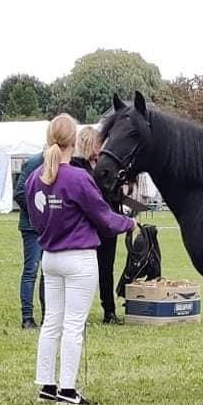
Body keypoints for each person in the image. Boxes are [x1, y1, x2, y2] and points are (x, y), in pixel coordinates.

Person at [25, 114, 135, 405]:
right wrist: (129, 224)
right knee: (74, 325)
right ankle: (68, 390)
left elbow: (37, 220)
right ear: (74, 141)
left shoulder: (35, 178)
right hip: (79, 259)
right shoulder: (78, 178)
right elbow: (104, 217)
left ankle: (47, 385)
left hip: (51, 257)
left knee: (52, 323)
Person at [71, 126, 125, 324]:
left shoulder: (104, 166)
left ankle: (109, 310)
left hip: (107, 224)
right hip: (90, 225)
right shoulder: (77, 167)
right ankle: (81, 310)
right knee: (85, 268)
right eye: (98, 143)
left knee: (106, 268)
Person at [14, 152, 45, 329]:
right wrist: (38, 214)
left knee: (47, 272)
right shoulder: (34, 162)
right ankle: (27, 316)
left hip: (47, 227)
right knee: (31, 271)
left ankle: (47, 315)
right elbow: (19, 193)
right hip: (32, 227)